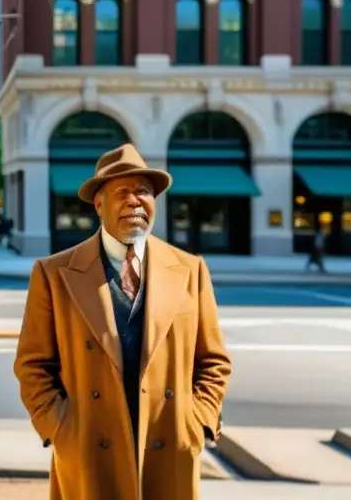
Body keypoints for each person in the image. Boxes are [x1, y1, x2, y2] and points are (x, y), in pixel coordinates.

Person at [14, 144, 232, 500]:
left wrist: (197, 421)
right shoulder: (53, 274)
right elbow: (32, 364)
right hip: (88, 449)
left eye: (144, 192)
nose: (135, 201)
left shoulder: (191, 269)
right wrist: (60, 427)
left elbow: (213, 361)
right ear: (99, 205)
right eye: (122, 192)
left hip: (169, 449)